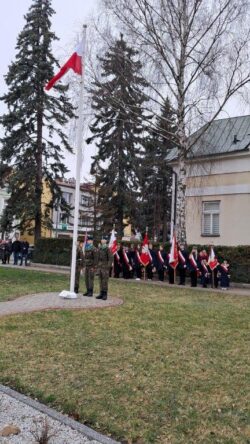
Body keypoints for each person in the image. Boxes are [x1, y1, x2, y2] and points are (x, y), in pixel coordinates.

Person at [96, 235, 113, 300]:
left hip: (105, 267)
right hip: (100, 267)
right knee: (100, 280)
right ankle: (101, 293)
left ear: (106, 241)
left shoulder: (108, 249)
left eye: (104, 239)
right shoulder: (100, 248)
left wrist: (108, 267)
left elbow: (110, 259)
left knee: (105, 281)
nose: (102, 240)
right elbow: (97, 258)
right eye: (102, 239)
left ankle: (105, 294)